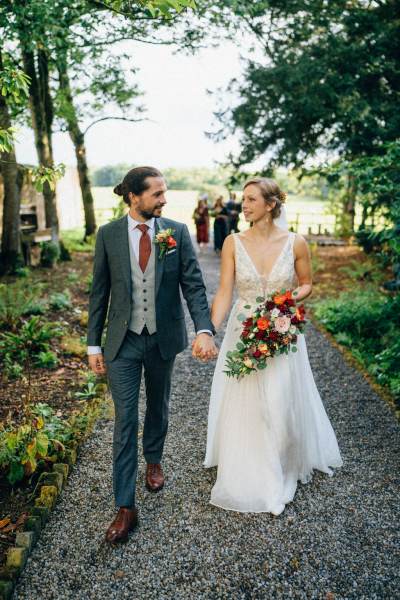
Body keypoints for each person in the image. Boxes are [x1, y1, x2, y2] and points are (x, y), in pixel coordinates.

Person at [87, 166, 218, 543]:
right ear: (133, 196)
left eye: (164, 192)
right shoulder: (109, 235)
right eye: (157, 194)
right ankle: (126, 506)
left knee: (158, 405)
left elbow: (193, 284)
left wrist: (204, 329)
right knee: (125, 419)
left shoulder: (175, 232)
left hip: (162, 339)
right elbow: (100, 293)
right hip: (122, 343)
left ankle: (154, 459)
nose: (164, 199)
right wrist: (93, 344)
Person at [204, 177, 342, 515]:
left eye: (251, 200)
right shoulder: (232, 243)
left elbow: (307, 284)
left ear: (270, 205)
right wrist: (209, 330)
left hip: (281, 329)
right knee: (246, 396)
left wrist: (284, 302)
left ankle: (281, 460)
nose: (244, 205)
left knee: (280, 395)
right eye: (244, 200)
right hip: (243, 328)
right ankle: (248, 463)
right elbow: (224, 291)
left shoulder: (296, 243)